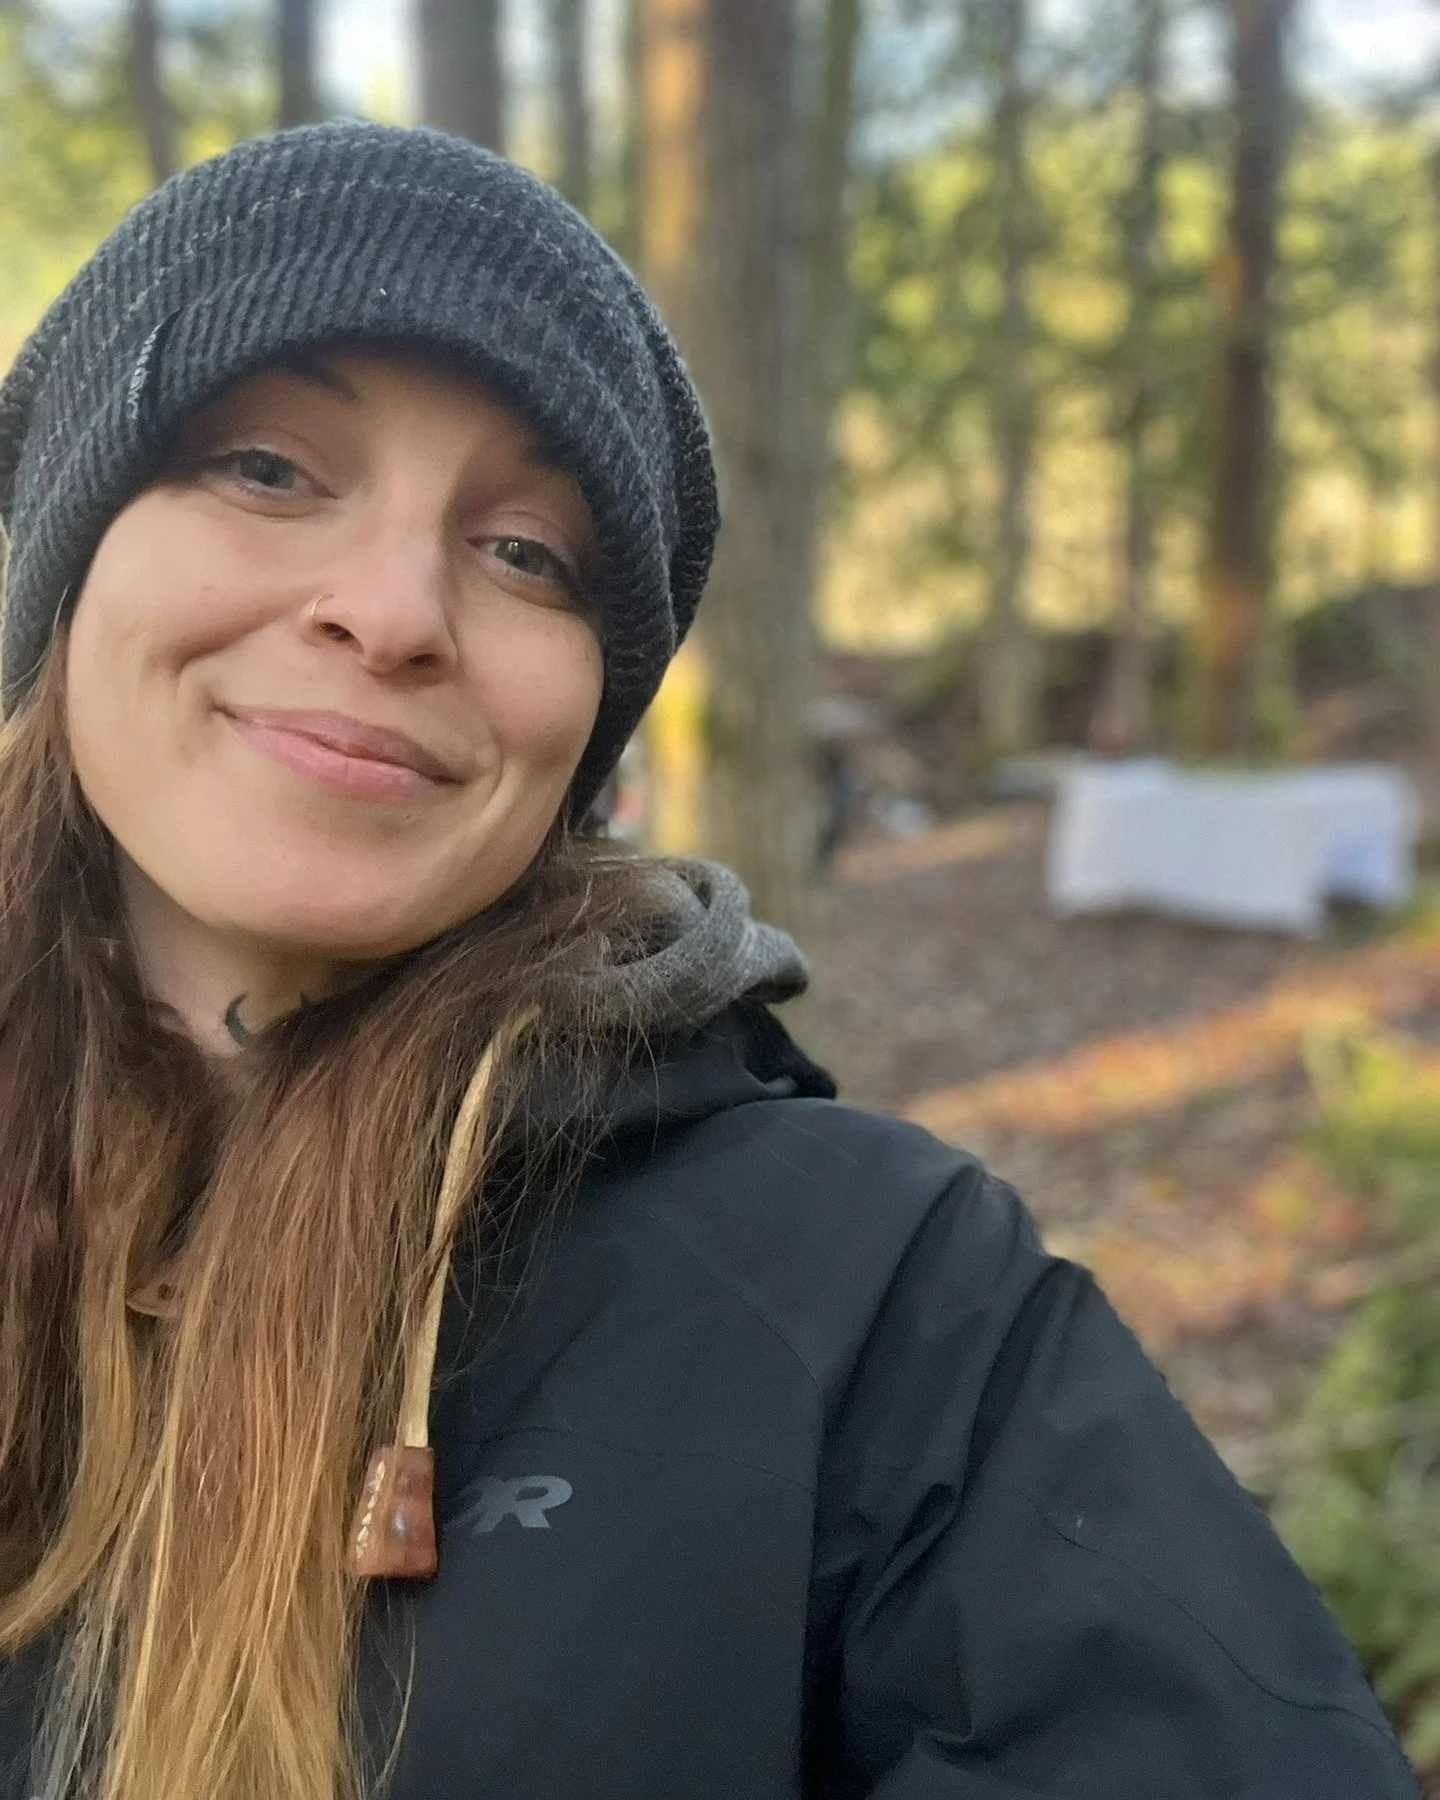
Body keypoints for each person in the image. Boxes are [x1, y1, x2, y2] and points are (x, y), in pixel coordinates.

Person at [0, 122, 1418, 1800]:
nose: (393, 611)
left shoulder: (878, 1303)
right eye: (268, 469)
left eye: (526, 552)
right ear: (64, 558)